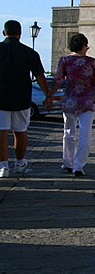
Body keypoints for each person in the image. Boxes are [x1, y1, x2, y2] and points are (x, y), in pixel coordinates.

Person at [0, 20, 51, 177]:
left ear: (4, 33)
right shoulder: (29, 53)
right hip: (22, 98)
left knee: (1, 132)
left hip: (1, 97)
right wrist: (48, 95)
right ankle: (20, 162)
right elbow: (40, 76)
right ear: (20, 34)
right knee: (20, 131)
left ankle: (3, 167)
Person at [52, 33, 95, 177]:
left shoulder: (64, 60)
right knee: (85, 134)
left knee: (68, 132)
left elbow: (58, 81)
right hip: (88, 101)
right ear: (83, 46)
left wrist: (50, 95)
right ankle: (78, 165)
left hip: (69, 100)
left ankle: (67, 162)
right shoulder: (91, 62)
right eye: (87, 46)